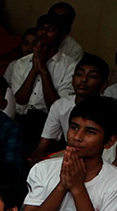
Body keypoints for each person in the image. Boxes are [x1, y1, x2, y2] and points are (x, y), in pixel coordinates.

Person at [5, 13, 77, 145]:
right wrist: (34, 70)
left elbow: (57, 107)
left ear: (62, 37)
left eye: (51, 29)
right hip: (21, 119)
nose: (43, 33)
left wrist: (44, 71)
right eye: (41, 28)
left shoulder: (70, 66)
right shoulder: (21, 63)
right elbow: (19, 101)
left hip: (50, 122)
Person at [29, 54, 109, 164]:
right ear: (72, 79)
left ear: (104, 84)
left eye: (92, 76)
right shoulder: (60, 105)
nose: (83, 79)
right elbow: (43, 145)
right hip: (71, 154)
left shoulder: (109, 110)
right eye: (79, 74)